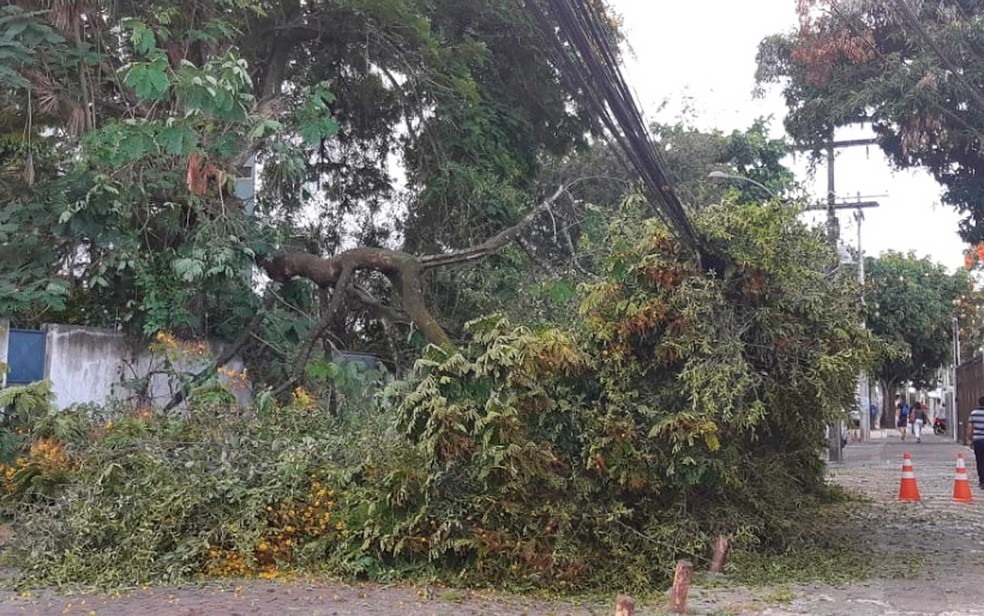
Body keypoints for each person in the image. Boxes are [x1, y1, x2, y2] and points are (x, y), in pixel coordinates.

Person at [965, 397, 984, 489]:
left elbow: (970, 427)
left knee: (980, 461)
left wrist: (969, 439)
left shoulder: (974, 413)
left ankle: (982, 481)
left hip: (978, 440)